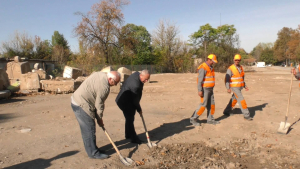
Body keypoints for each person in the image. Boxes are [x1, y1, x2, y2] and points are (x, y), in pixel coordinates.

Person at [71, 71, 120, 159]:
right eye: (115, 82)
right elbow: (99, 105)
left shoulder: (101, 74)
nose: (115, 85)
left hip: (76, 99)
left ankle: (93, 148)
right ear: (110, 79)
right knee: (89, 130)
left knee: (87, 129)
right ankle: (93, 153)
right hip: (82, 104)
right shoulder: (104, 87)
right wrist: (99, 119)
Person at [116, 70, 150, 144]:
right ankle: (134, 138)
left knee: (129, 118)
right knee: (130, 118)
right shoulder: (135, 85)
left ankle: (128, 135)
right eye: (145, 79)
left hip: (128, 99)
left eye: (148, 79)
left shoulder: (137, 74)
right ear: (141, 76)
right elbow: (135, 101)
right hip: (124, 101)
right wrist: (139, 110)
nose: (146, 81)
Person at [190, 54, 220, 126]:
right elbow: (199, 80)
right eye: (213, 61)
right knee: (203, 104)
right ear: (209, 60)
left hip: (210, 89)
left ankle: (210, 119)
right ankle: (193, 118)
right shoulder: (203, 67)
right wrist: (200, 90)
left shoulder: (210, 67)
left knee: (211, 104)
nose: (214, 63)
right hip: (205, 89)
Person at [223, 54, 252, 120]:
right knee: (242, 100)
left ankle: (226, 111)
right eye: (236, 60)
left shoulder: (241, 68)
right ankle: (246, 115)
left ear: (240, 60)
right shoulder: (230, 68)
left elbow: (241, 78)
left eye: (238, 60)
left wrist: (245, 86)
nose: (237, 61)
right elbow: (227, 79)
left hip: (240, 87)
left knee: (234, 99)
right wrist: (228, 88)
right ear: (233, 59)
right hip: (234, 87)